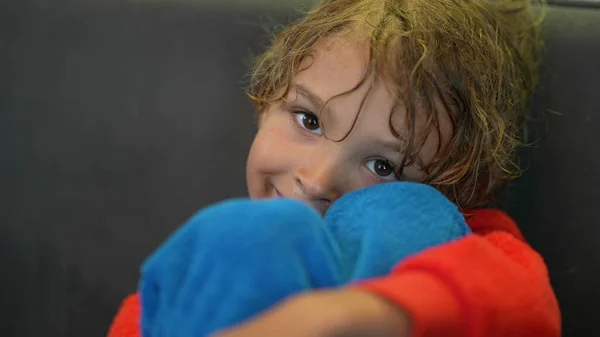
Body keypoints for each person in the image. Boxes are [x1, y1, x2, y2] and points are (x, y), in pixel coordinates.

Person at [108, 0, 561, 336]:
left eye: (383, 165)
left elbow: (528, 306)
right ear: (265, 98)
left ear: (460, 185)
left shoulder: (463, 244)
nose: (318, 180)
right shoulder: (210, 264)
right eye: (309, 120)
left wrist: (354, 315)